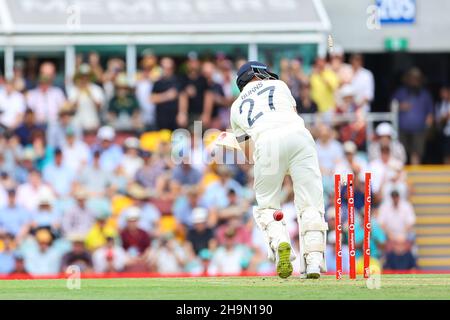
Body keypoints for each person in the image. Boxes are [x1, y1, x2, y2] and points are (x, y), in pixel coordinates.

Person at [230, 61, 327, 279]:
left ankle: (281, 241)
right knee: (310, 201)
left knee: (267, 206)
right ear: (257, 74)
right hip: (299, 136)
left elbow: (248, 154)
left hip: (265, 143)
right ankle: (312, 263)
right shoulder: (280, 86)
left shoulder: (236, 107)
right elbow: (291, 115)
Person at [392, 67, 433, 164]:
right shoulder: (400, 92)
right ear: (408, 79)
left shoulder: (425, 94)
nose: (414, 80)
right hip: (402, 129)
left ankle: (416, 177)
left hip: (419, 130)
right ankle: (401, 177)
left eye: (417, 78)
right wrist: (400, 106)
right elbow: (390, 107)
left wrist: (428, 128)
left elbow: (430, 113)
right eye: (412, 78)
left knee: (416, 153)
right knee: (401, 154)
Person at [151, 57, 181, 130]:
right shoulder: (157, 83)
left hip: (176, 118)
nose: (167, 70)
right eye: (164, 68)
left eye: (169, 68)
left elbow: (183, 97)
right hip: (161, 118)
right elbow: (152, 99)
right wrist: (167, 96)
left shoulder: (178, 81)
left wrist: (182, 113)